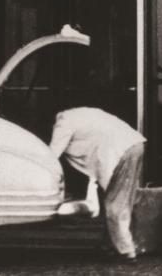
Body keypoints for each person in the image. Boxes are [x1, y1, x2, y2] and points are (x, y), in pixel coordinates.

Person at [48, 106, 146, 260]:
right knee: (124, 199)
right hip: (134, 144)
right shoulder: (82, 113)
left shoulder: (63, 122)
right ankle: (110, 244)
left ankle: (126, 249)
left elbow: (53, 154)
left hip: (120, 150)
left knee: (115, 203)